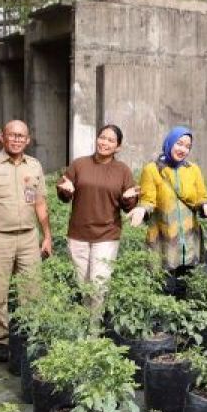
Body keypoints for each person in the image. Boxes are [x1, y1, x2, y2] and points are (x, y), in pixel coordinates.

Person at [0, 120, 53, 363]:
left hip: (29, 236)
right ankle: (2, 339)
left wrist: (47, 235)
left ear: (28, 140)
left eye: (21, 136)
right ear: (3, 139)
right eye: (12, 135)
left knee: (32, 290)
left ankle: (29, 336)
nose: (17, 139)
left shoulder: (34, 166)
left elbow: (39, 203)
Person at [56, 124, 139, 309]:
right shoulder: (79, 165)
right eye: (102, 137)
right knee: (83, 285)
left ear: (118, 147)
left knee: (99, 286)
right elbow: (63, 195)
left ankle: (94, 332)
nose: (105, 142)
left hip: (107, 235)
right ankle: (84, 326)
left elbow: (128, 207)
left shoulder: (122, 170)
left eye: (111, 140)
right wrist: (65, 191)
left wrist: (130, 199)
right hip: (78, 234)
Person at [132, 126, 207, 272]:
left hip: (189, 239)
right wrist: (142, 209)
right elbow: (148, 199)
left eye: (187, 146)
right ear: (169, 142)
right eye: (179, 144)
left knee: (187, 285)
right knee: (166, 284)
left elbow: (201, 197)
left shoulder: (193, 169)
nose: (183, 149)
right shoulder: (152, 169)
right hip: (163, 238)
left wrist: (206, 205)